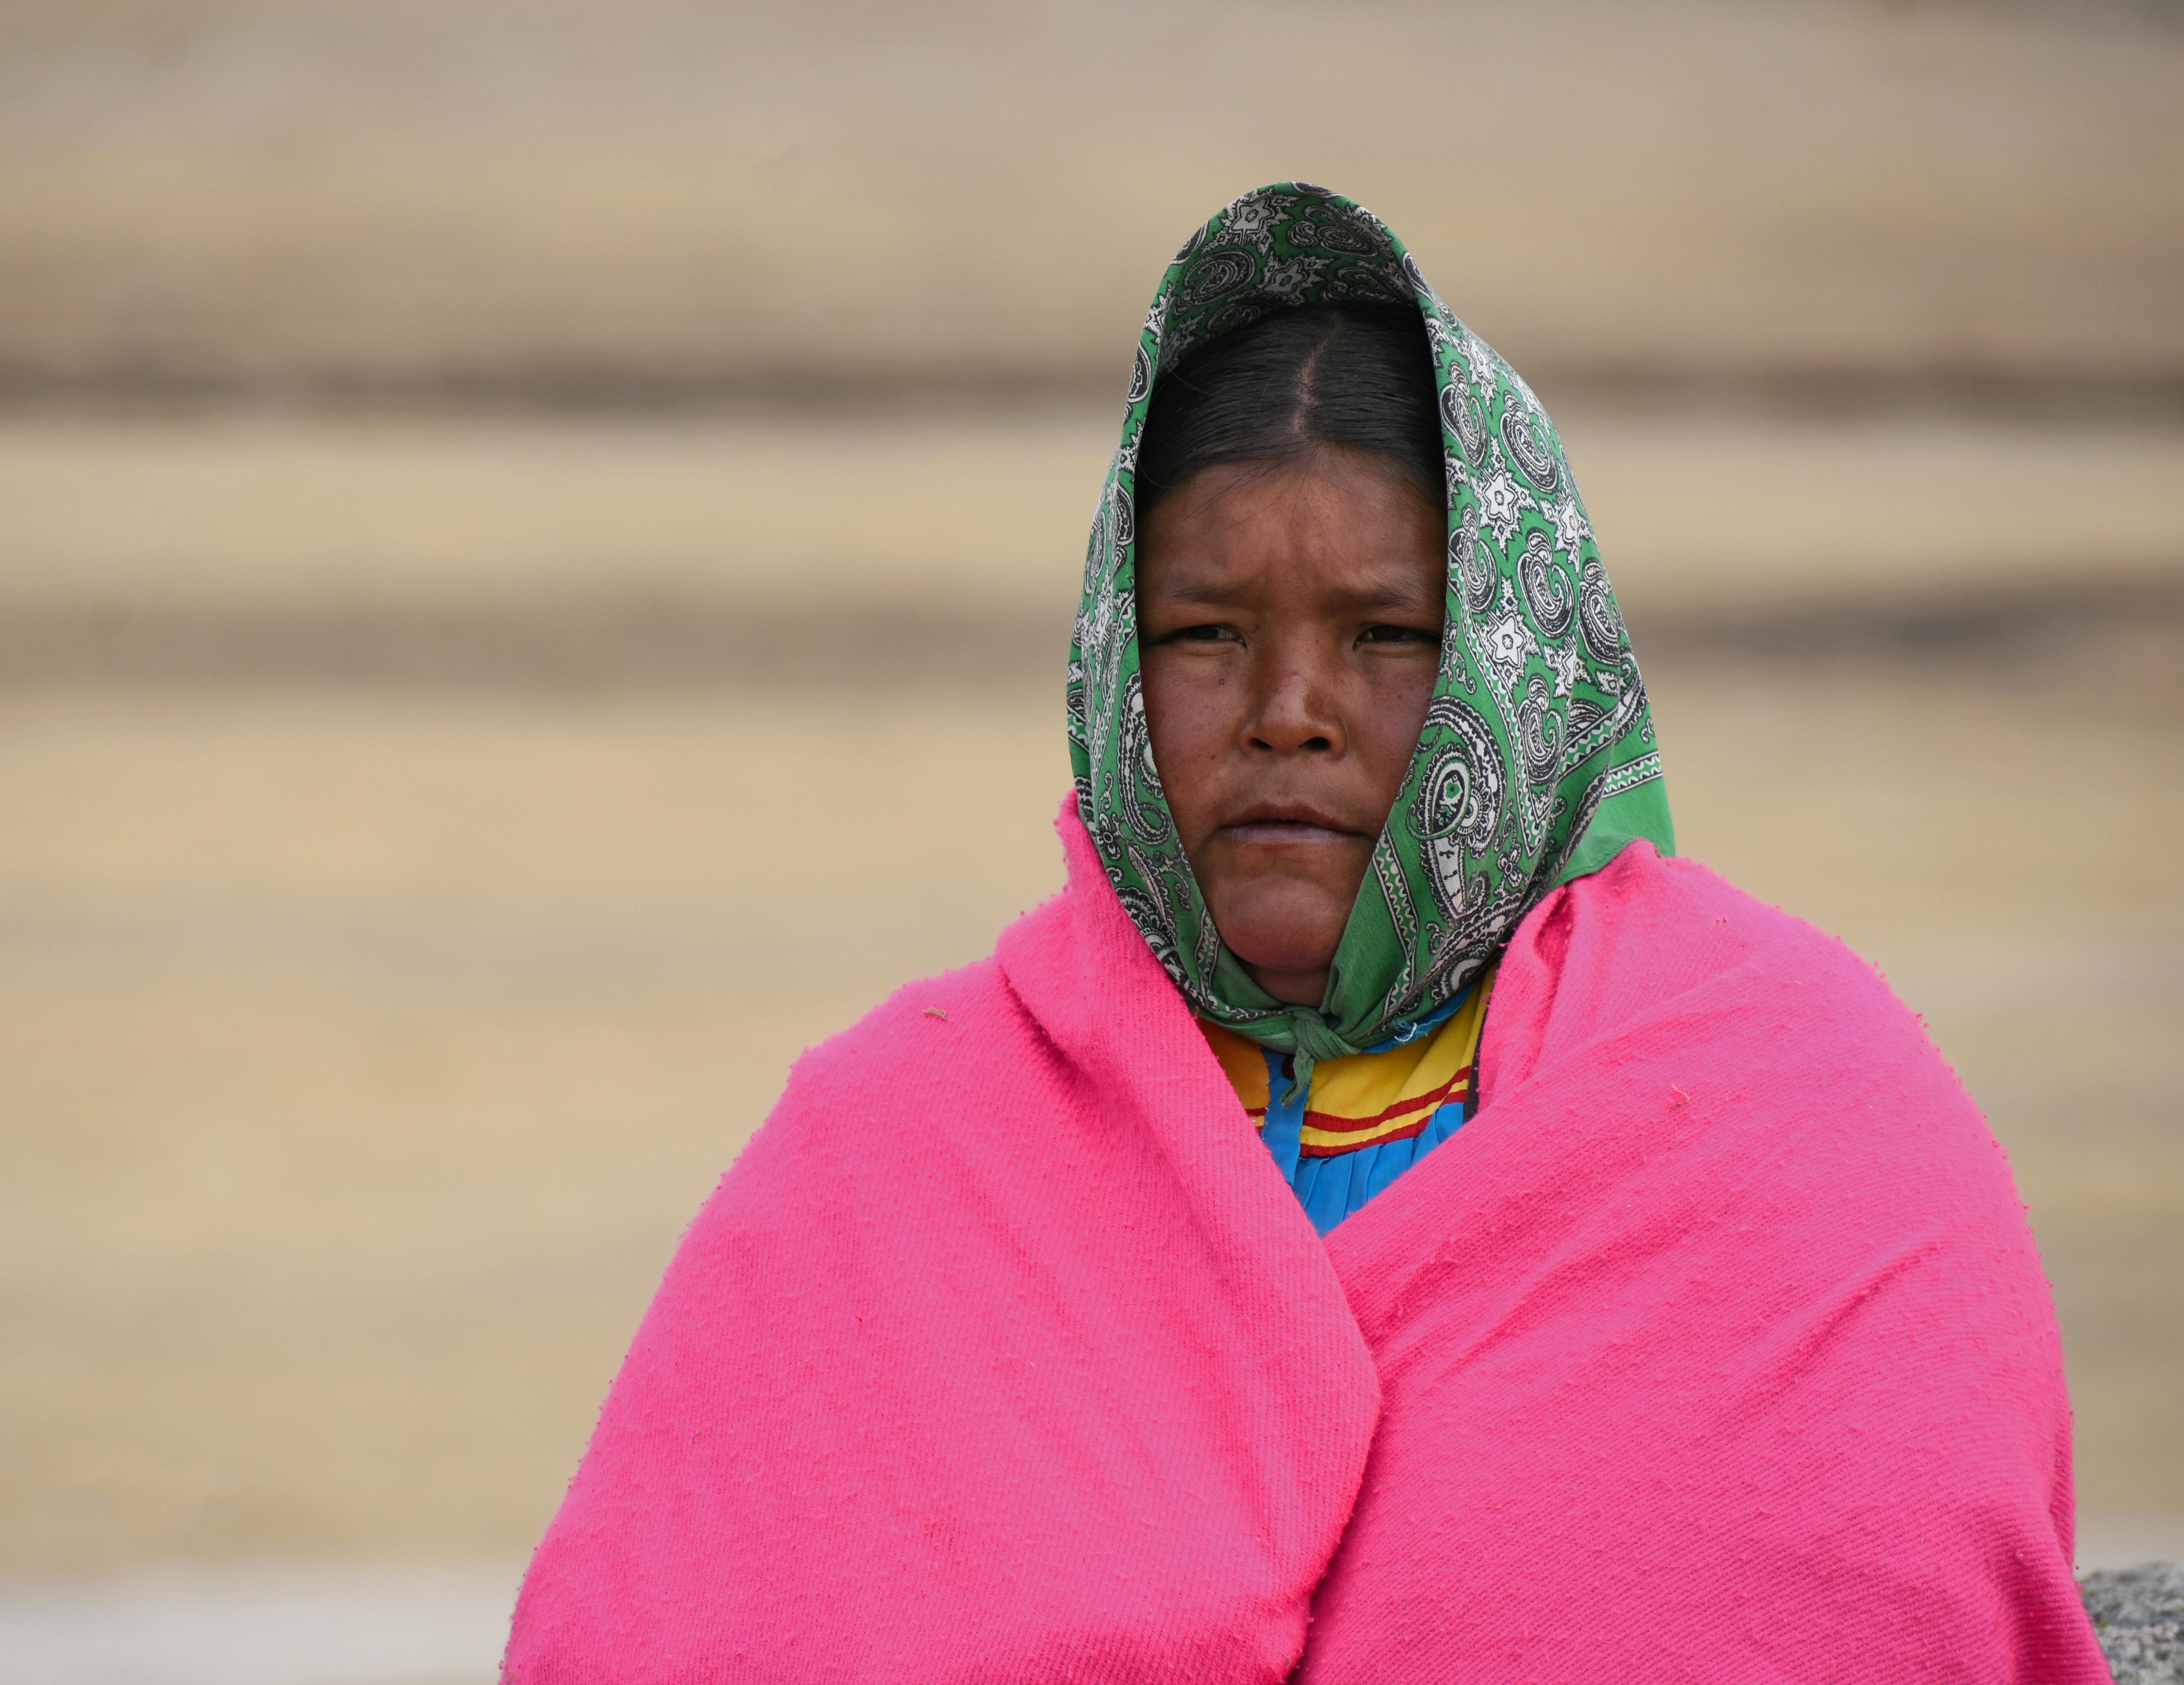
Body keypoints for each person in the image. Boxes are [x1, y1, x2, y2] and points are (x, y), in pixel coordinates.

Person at [504, 185, 2109, 1682]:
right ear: (1110, 670)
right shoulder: (896, 1142)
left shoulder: (1794, 1115)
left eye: (1387, 637)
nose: (1290, 716)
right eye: (1206, 634)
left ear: (1515, 664)